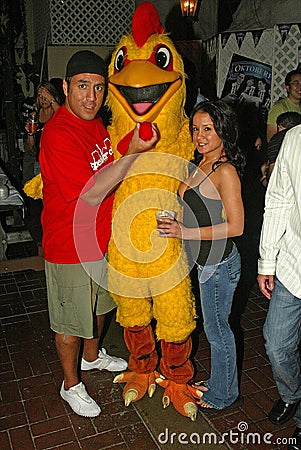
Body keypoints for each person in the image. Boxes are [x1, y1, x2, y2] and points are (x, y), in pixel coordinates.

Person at [39, 50, 159, 418]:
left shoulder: (93, 123)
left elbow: (106, 161)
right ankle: (70, 384)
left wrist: (131, 145)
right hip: (69, 245)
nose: (90, 96)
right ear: (65, 87)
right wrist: (134, 154)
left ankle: (91, 359)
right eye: (81, 86)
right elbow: (91, 190)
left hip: (100, 239)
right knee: (71, 325)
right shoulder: (58, 133)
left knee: (99, 308)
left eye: (98, 88)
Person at [157, 100, 245, 411]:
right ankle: (220, 382)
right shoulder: (200, 163)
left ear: (223, 131)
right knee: (215, 328)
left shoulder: (226, 171)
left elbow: (236, 226)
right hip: (203, 261)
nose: (200, 135)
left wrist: (184, 232)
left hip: (219, 263)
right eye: (196, 129)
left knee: (218, 330)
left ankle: (224, 395)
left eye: (207, 128)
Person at [257, 124, 301, 450]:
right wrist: (266, 262)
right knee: (276, 343)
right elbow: (278, 200)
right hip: (293, 262)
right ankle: (292, 394)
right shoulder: (296, 138)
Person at [23, 81, 63, 248]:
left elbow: (66, 118)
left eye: (46, 95)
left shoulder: (58, 113)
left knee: (55, 203)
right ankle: (45, 239)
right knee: (41, 205)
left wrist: (52, 101)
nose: (43, 99)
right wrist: (30, 134)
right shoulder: (35, 115)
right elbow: (31, 147)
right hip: (39, 164)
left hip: (56, 163)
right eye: (40, 96)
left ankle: (56, 237)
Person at [266, 68, 301, 142]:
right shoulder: (279, 107)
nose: (300, 87)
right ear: (287, 87)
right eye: (296, 83)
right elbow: (271, 139)